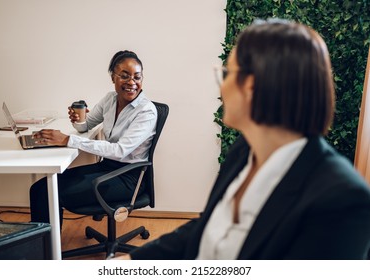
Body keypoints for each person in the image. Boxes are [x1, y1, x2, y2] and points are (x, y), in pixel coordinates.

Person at [115, 19, 370, 260]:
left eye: (226, 74)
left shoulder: (342, 200)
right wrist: (132, 260)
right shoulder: (245, 150)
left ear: (252, 87)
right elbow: (208, 226)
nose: (221, 87)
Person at [29, 50, 157, 226]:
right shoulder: (110, 99)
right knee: (39, 187)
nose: (132, 82)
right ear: (113, 77)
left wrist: (67, 140)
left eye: (137, 77)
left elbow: (120, 151)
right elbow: (86, 126)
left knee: (47, 191)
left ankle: (45, 250)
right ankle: (45, 246)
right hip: (107, 167)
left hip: (128, 178)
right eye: (125, 76)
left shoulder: (146, 111)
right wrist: (78, 119)